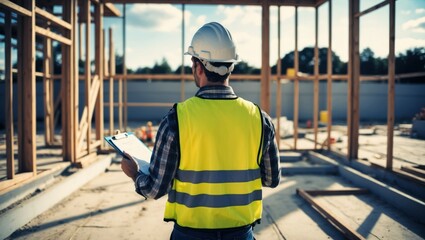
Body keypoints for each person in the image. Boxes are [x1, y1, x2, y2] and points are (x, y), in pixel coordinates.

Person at [121, 22, 280, 240]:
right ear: (231, 66)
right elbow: (272, 179)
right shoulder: (260, 119)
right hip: (241, 234)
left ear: (198, 66)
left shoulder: (176, 119)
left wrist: (134, 173)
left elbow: (154, 189)